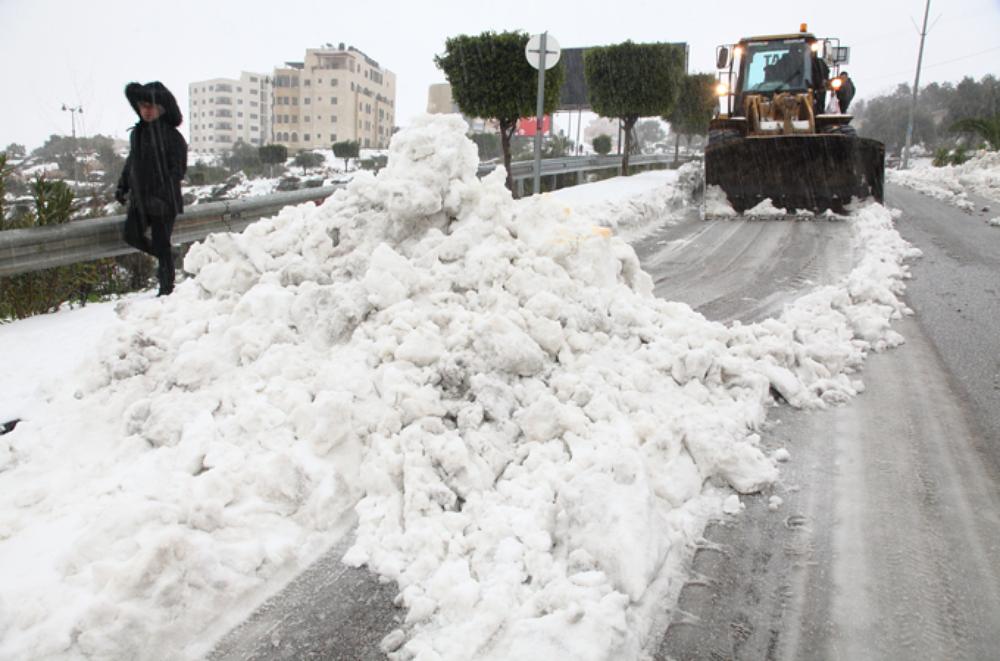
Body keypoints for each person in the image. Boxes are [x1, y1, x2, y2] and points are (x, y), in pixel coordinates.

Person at [115, 81, 187, 296]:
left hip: (164, 202)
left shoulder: (173, 137)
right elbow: (132, 162)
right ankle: (168, 257)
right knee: (131, 235)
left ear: (161, 108)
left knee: (161, 242)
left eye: (150, 106)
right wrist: (122, 186)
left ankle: (166, 290)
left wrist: (161, 194)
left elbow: (178, 170)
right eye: (142, 106)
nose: (146, 110)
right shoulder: (137, 133)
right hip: (140, 200)